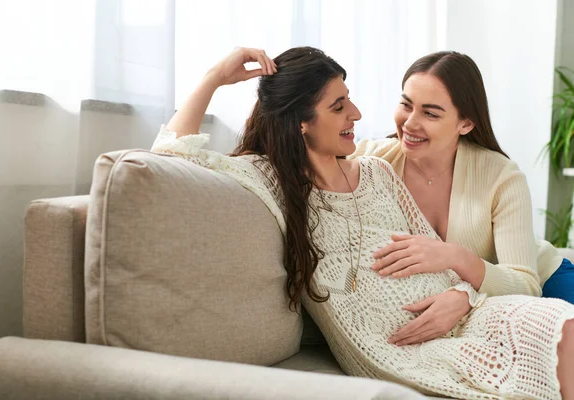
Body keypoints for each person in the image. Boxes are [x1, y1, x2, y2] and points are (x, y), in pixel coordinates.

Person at [150, 47, 574, 400]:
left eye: (429, 112)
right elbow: (169, 159)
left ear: (465, 123)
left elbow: (464, 267)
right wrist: (213, 77)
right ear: (300, 122)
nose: (357, 113)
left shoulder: (380, 172)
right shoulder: (271, 178)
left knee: (564, 324)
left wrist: (464, 294)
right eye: (339, 105)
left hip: (501, 293)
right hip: (405, 347)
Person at [348, 51, 574, 311]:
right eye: (406, 105)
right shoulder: (374, 159)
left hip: (546, 279)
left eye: (430, 114)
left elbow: (526, 286)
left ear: (465, 123)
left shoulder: (502, 176)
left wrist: (454, 257)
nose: (410, 124)